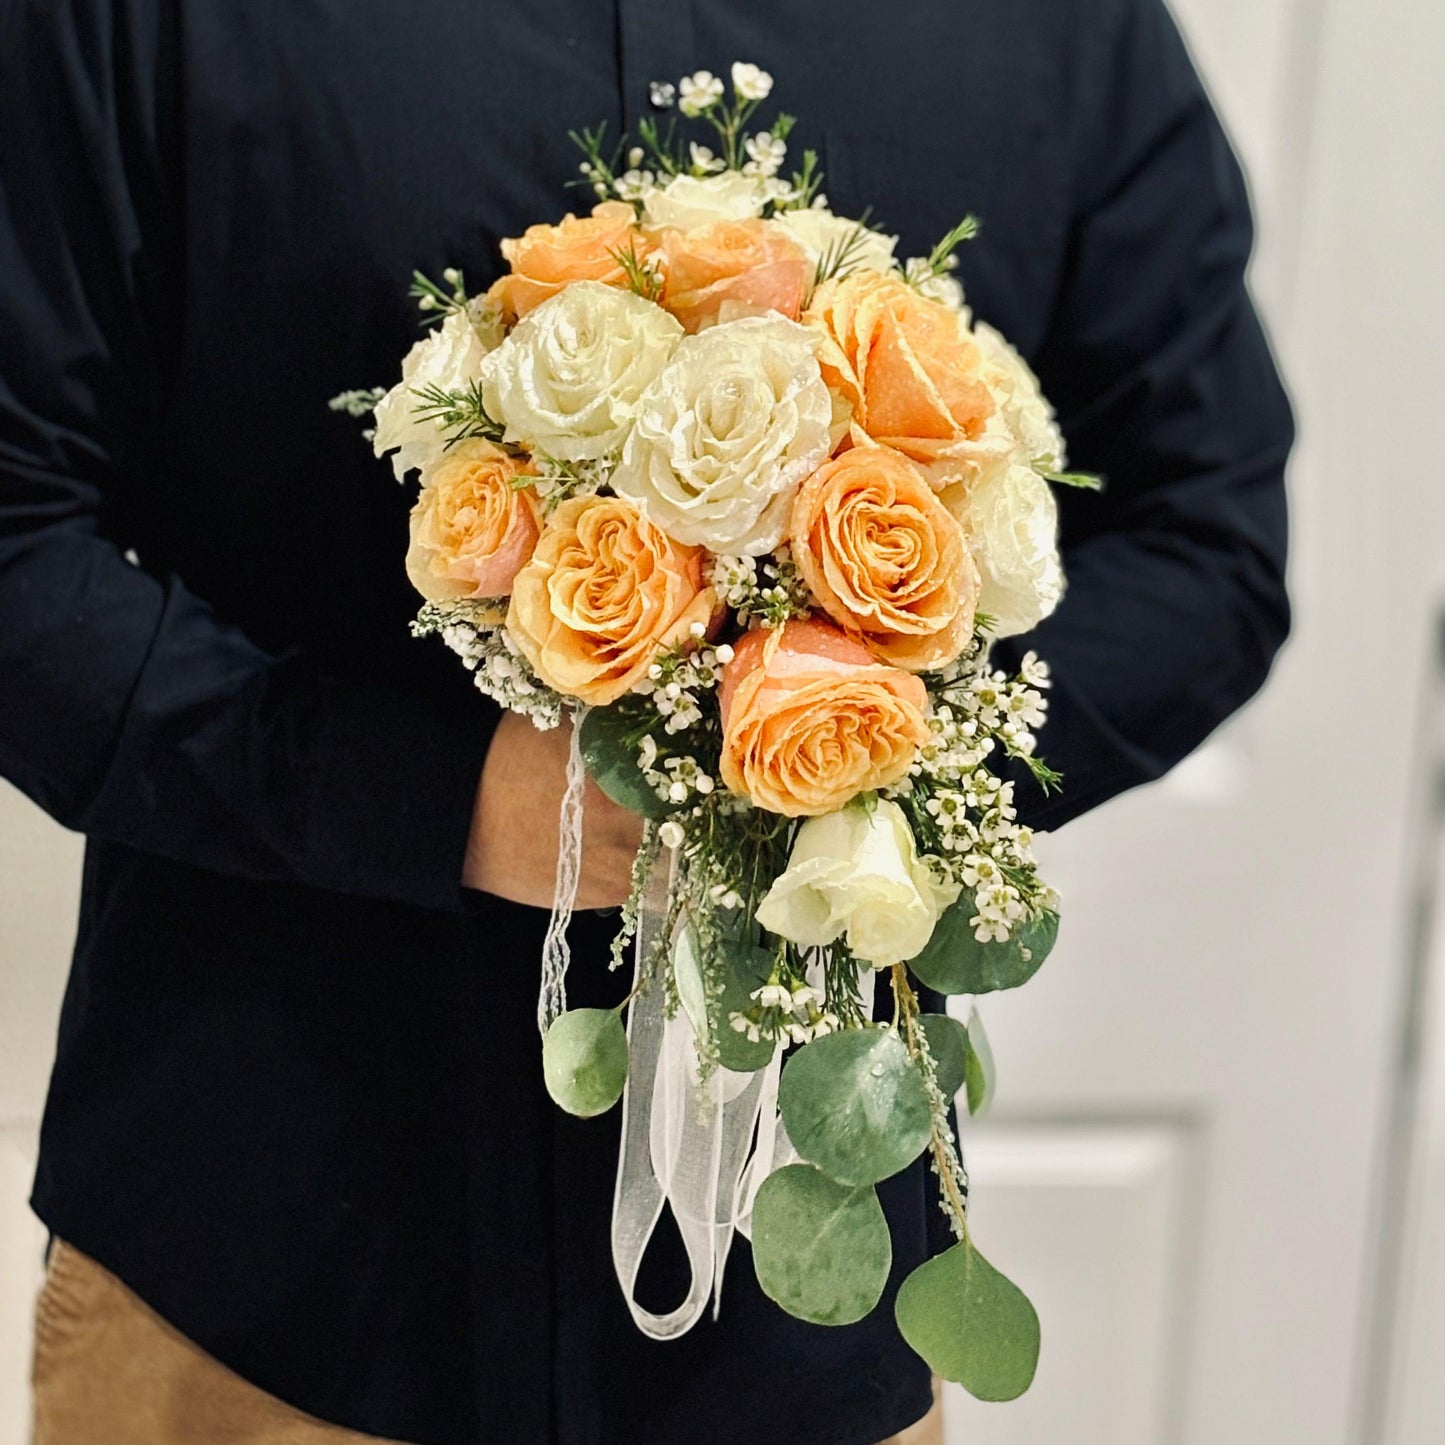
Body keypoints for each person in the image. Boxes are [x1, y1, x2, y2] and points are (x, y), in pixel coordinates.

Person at [0, 1, 1292, 1441]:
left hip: (808, 1323)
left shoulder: (1066, 29)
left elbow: (1204, 536)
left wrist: (860, 765)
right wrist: (436, 796)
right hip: (251, 1280)